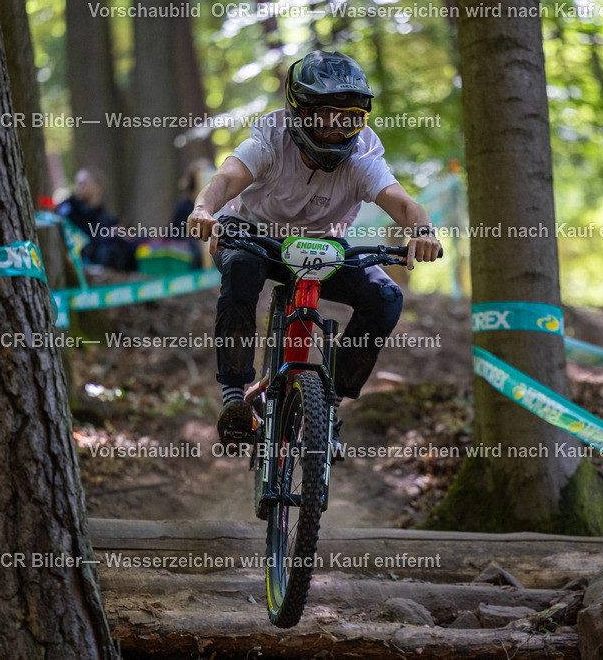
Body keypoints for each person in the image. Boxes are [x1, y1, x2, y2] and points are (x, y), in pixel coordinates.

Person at [187, 50, 442, 452]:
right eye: (325, 116)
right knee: (240, 270)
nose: (335, 130)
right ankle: (234, 397)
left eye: (349, 119)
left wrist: (423, 230)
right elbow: (226, 177)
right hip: (253, 232)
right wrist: (203, 209)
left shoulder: (362, 156)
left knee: (386, 297)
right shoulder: (271, 136)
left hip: (321, 244)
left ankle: (328, 405)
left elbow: (404, 204)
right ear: (300, 112)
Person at [56, 167, 138, 272]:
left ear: (98, 186)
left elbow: (114, 227)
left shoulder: (100, 212)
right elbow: (81, 241)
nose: (79, 187)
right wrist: (110, 234)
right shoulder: (69, 208)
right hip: (86, 256)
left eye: (84, 183)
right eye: (78, 183)